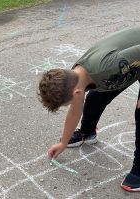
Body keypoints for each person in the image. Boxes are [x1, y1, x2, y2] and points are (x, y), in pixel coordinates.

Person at [38, 27, 140, 192]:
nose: (70, 106)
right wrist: (63, 142)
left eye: (68, 102)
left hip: (129, 62)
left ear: (77, 93)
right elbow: (75, 109)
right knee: (96, 96)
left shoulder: (105, 68)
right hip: (128, 65)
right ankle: (87, 132)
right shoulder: (78, 75)